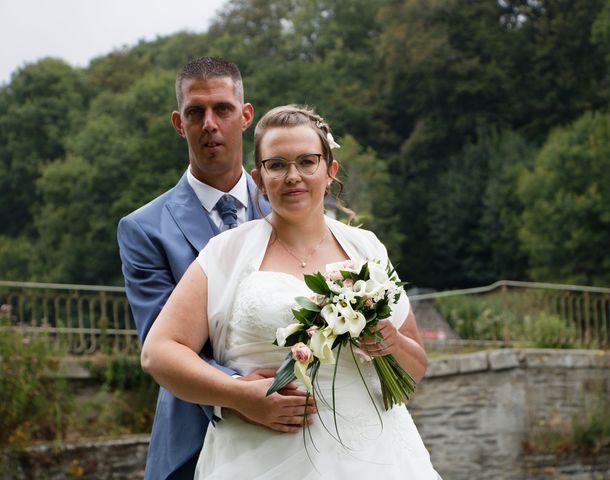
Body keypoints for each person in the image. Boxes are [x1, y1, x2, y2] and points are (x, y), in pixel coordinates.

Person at [141, 104, 442, 479]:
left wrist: (390, 342)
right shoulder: (227, 252)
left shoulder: (367, 248)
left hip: (380, 457)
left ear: (330, 171)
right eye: (277, 165)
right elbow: (159, 353)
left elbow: (413, 371)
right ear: (259, 178)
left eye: (307, 161)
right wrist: (238, 395)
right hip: (263, 458)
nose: (293, 177)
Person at [117, 59, 313, 480]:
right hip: (197, 439)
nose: (209, 124)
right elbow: (162, 343)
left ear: (245, 116)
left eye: (222, 109)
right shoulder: (143, 230)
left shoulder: (296, 205)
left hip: (305, 428)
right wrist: (245, 393)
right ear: (178, 122)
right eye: (195, 112)